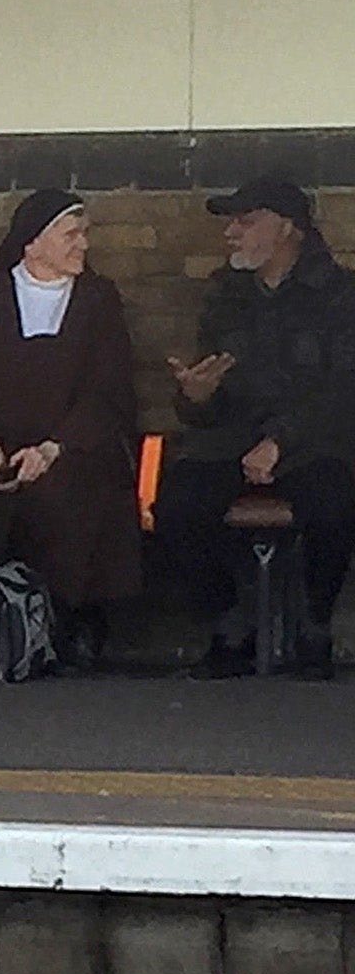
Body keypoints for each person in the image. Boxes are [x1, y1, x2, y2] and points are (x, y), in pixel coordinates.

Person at [0, 189, 142, 670]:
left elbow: (107, 391)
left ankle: (70, 624)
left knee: (68, 499)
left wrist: (53, 449)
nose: (82, 244)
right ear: (32, 244)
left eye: (84, 234)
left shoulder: (98, 300)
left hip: (73, 449)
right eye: (71, 234)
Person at [155, 177, 355, 679]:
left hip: (312, 442)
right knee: (178, 508)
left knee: (333, 505)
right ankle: (230, 620)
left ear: (287, 227)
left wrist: (279, 441)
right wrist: (196, 397)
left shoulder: (340, 294)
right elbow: (206, 391)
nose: (231, 233)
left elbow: (341, 391)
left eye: (246, 221)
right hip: (230, 438)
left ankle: (314, 624)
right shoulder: (225, 294)